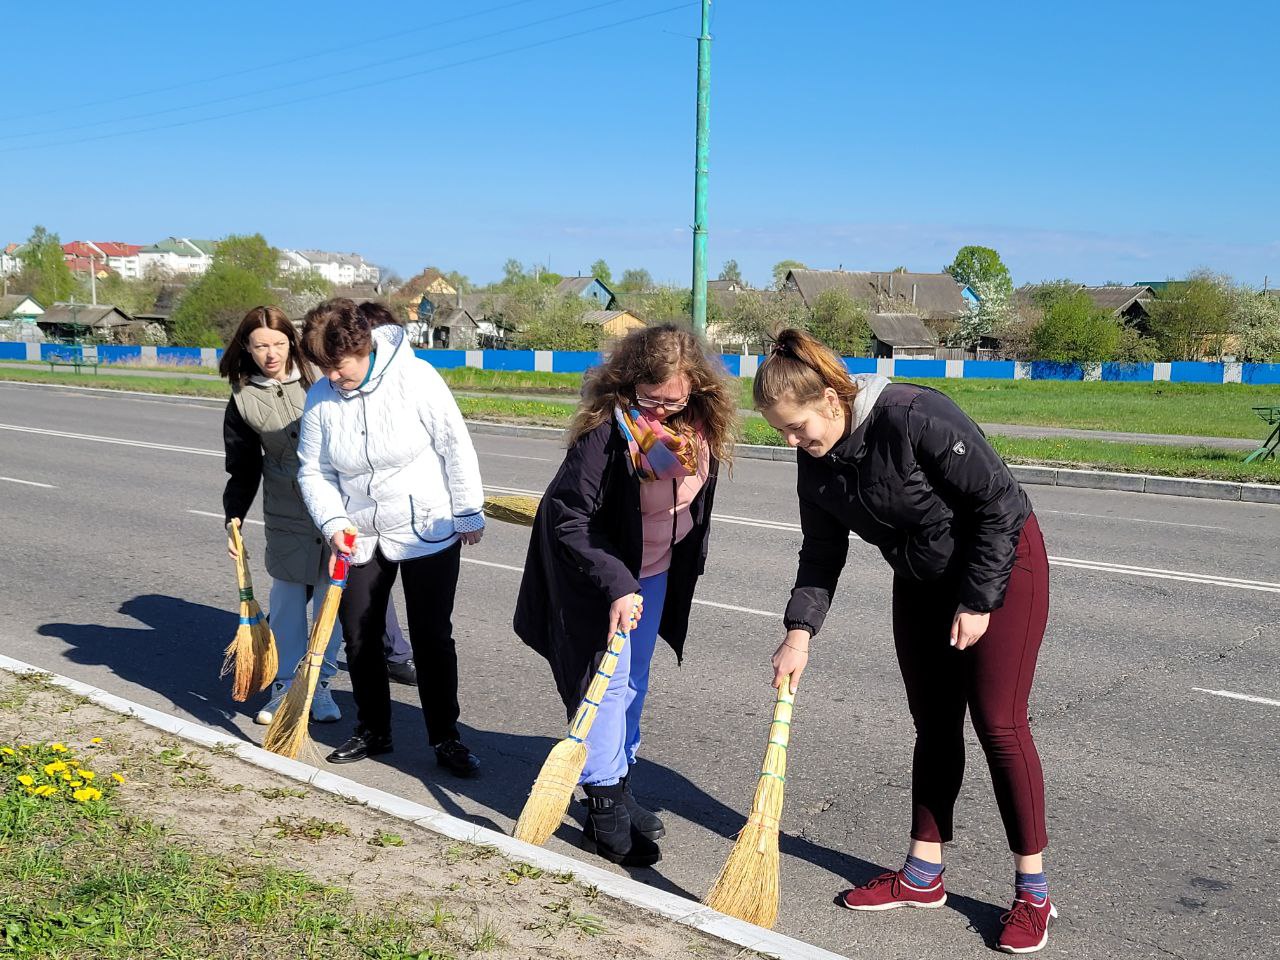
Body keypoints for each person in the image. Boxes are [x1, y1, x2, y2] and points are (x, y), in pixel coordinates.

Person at [756, 329, 1054, 954]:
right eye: (781, 431)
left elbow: (1002, 503)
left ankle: (1033, 892)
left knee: (998, 723)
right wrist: (799, 631)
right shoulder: (816, 462)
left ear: (834, 400)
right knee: (933, 724)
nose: (792, 442)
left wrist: (977, 600)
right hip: (920, 576)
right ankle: (923, 874)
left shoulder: (913, 415)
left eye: (797, 426)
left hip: (1001, 566)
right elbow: (821, 552)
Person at [514, 324, 739, 867]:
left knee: (635, 681)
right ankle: (605, 810)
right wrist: (618, 583)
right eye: (651, 400)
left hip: (655, 571)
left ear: (696, 391)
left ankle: (620, 781)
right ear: (629, 384)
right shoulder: (605, 433)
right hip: (596, 576)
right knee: (605, 687)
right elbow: (571, 519)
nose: (661, 412)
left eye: (674, 401)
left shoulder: (699, 426)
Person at [296, 298, 485, 776]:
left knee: (430, 637)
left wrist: (467, 511)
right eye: (324, 369)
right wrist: (333, 521)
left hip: (429, 527)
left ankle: (446, 737)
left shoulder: (417, 379)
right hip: (360, 534)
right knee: (359, 635)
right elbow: (314, 471)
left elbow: (454, 444)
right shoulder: (321, 397)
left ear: (362, 346)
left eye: (338, 367)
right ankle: (373, 729)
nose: (332, 378)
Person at [219, 305, 342, 726]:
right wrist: (233, 516)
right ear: (247, 348)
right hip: (287, 513)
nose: (270, 353)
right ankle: (284, 687)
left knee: (333, 602)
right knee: (288, 605)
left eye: (277, 343)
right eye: (259, 346)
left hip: (337, 510)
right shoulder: (242, 398)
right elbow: (243, 466)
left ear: (291, 341)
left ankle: (319, 687)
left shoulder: (322, 379)